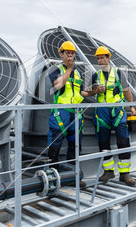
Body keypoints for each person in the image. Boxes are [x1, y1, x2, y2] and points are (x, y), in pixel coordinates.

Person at [47, 41, 97, 187]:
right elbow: (57, 85)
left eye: (72, 53)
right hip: (60, 113)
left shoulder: (77, 72)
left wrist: (93, 91)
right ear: (61, 53)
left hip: (76, 114)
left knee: (75, 145)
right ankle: (52, 180)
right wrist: (68, 69)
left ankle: (72, 178)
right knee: (54, 145)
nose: (70, 55)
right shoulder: (55, 69)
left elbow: (80, 92)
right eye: (67, 53)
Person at [92, 46, 136, 186]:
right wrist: (94, 90)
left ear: (108, 58)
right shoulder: (95, 76)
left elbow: (127, 90)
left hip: (118, 111)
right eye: (98, 58)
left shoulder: (118, 73)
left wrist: (132, 106)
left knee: (123, 142)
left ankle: (125, 174)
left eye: (102, 57)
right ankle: (108, 171)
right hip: (101, 113)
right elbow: (88, 92)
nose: (99, 60)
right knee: (103, 143)